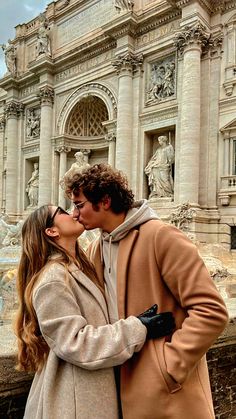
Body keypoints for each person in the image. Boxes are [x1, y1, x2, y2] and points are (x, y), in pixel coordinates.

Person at [62, 163, 229, 419]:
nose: (74, 214)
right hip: (118, 385)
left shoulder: (161, 237)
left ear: (105, 201)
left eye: (80, 204)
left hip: (168, 395)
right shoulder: (96, 248)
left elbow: (212, 311)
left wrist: (169, 365)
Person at [15, 204, 175, 419]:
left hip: (87, 392)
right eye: (62, 211)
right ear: (51, 231)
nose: (73, 212)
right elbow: (75, 343)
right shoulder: (52, 279)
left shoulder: (79, 267)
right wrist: (138, 327)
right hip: (73, 401)